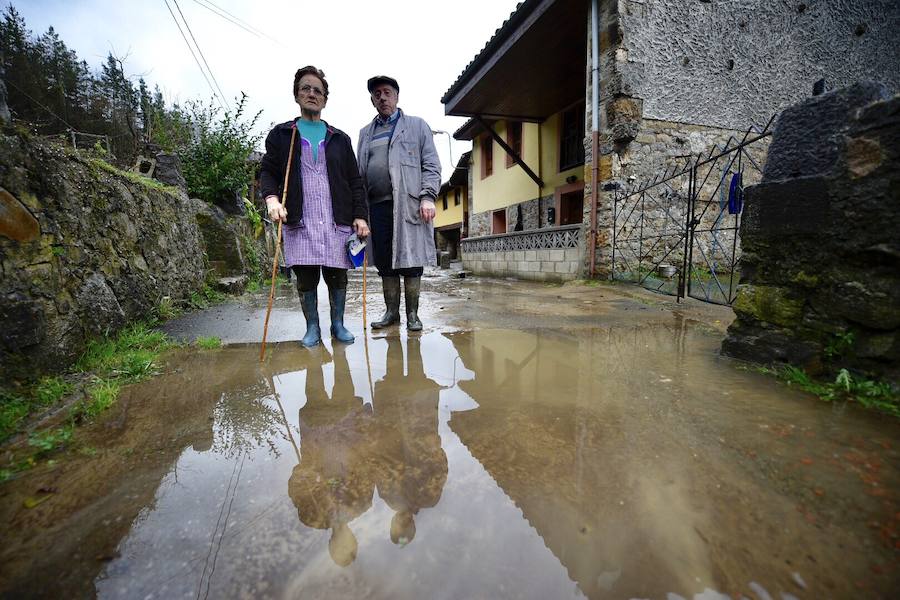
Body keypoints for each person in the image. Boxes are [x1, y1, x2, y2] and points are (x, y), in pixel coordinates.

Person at [259, 66, 369, 347]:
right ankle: (312, 328)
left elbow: (354, 181)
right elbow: (268, 171)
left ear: (325, 99)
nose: (311, 93)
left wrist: (360, 216)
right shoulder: (282, 135)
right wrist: (272, 199)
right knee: (306, 278)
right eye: (306, 88)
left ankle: (338, 325)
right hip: (301, 219)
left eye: (317, 90)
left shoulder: (339, 139)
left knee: (337, 276)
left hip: (336, 220)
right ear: (296, 94)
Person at [357, 75, 441, 331]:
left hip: (410, 205)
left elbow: (432, 165)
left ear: (397, 96)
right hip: (377, 207)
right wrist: (359, 211)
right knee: (385, 262)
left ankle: (412, 315)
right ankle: (392, 312)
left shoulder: (417, 126)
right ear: (372, 100)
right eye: (377, 94)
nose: (382, 97)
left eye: (387, 92)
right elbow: (359, 174)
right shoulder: (365, 133)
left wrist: (427, 196)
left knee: (411, 261)